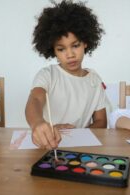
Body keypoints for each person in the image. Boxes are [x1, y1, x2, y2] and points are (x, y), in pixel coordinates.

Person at [25, 0, 109, 149]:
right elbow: (36, 99)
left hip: (82, 148)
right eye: (61, 49)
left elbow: (101, 121)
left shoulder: (95, 80)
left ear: (85, 43)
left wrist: (78, 134)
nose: (70, 54)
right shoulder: (47, 75)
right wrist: (38, 123)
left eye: (75, 46)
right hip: (49, 145)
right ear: (53, 50)